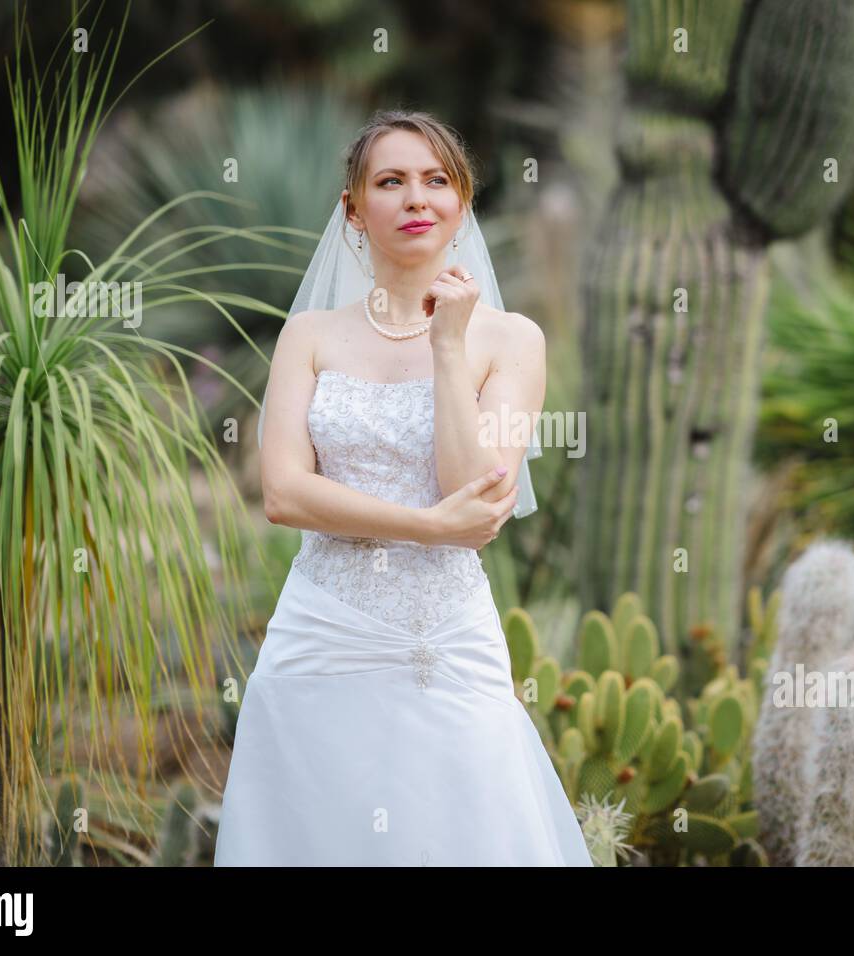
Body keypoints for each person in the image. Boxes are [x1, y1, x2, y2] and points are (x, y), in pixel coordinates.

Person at [214, 109, 592, 866]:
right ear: (354, 208)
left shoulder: (512, 340)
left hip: (445, 635)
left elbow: (474, 490)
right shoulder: (310, 336)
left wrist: (449, 345)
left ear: (462, 202)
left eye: (436, 180)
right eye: (391, 181)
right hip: (320, 633)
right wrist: (427, 526)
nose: (417, 198)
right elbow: (284, 493)